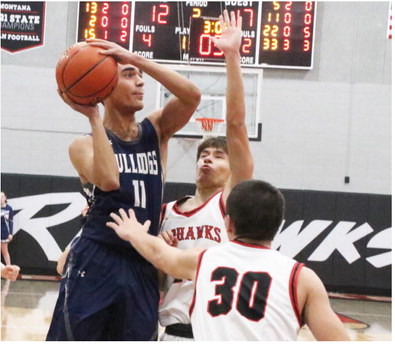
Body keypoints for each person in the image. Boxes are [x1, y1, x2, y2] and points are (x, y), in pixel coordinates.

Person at [46, 38, 201, 341]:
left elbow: (192, 96)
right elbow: (109, 181)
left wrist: (137, 59)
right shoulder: (83, 145)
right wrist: (92, 114)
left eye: (139, 75)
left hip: (143, 260)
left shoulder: (155, 130)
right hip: (96, 259)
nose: (141, 81)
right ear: (102, 85)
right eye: (129, 75)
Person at [107, 179, 351, 341]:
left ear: (228, 223)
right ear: (277, 226)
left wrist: (134, 231)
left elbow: (160, 254)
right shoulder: (302, 279)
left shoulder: (204, 260)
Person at [157, 10, 253, 340]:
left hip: (218, 332)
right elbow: (152, 278)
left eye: (217, 156)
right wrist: (158, 252)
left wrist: (232, 56)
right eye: (203, 155)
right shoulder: (166, 212)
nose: (207, 161)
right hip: (172, 332)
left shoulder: (231, 202)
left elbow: (237, 126)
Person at [1, 192, 14, 266]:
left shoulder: (9, 208)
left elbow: (11, 222)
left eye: (2, 196)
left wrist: (10, 233)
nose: (1, 198)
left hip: (4, 232)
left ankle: (9, 271)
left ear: (5, 197)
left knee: (5, 252)